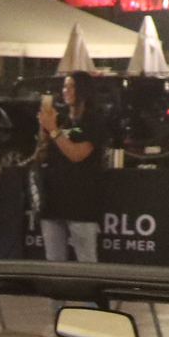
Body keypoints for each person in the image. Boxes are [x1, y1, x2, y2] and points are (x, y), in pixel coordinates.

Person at [32, 70, 105, 265]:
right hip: (53, 200)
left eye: (71, 86)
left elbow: (77, 154)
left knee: (86, 261)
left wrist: (54, 130)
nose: (66, 91)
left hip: (80, 202)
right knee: (54, 263)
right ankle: (57, 296)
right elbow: (41, 155)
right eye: (64, 86)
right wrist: (44, 132)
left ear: (83, 90)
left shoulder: (93, 120)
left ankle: (91, 296)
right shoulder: (62, 119)